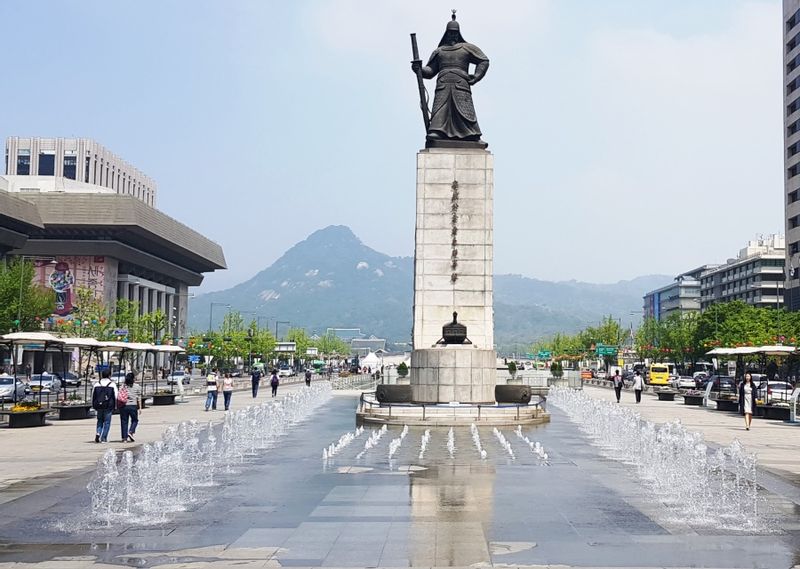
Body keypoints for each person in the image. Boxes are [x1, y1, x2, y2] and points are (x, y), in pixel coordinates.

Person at [91, 369, 118, 443]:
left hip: (99, 405)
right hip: (108, 405)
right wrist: (115, 406)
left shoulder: (97, 384)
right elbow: (116, 396)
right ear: (109, 375)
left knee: (99, 420)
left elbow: (93, 395)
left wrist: (93, 404)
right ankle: (104, 438)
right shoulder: (112, 384)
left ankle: (98, 432)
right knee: (107, 422)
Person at [119, 372, 142, 442]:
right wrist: (140, 408)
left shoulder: (123, 386)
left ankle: (124, 438)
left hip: (124, 405)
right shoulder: (137, 386)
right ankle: (131, 431)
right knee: (135, 420)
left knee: (124, 421)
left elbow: (119, 394)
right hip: (133, 406)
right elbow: (139, 398)